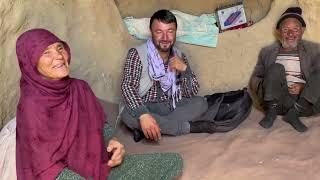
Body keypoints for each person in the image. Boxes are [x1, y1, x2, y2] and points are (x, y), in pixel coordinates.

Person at [15, 28, 183, 180]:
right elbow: (44, 169)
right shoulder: (31, 105)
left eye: (60, 48)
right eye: (46, 53)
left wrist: (113, 142)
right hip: (62, 175)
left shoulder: (79, 88)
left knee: (173, 161)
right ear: (31, 63)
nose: (58, 56)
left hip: (98, 166)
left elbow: (100, 125)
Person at [120, 9, 216, 142]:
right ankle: (187, 127)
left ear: (175, 32)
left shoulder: (180, 56)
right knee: (127, 114)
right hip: (146, 105)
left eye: (170, 31)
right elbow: (127, 86)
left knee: (201, 103)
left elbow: (191, 92)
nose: (165, 38)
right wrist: (143, 114)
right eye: (159, 32)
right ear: (151, 32)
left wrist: (184, 69)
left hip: (171, 106)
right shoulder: (137, 53)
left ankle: (151, 128)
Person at [250, 7, 320, 132]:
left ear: (302, 31)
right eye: (286, 29)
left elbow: (317, 79)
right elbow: (255, 78)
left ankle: (293, 114)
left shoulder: (314, 50)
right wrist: (267, 87)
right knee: (276, 68)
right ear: (278, 32)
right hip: (276, 101)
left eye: (295, 29)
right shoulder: (267, 52)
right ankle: (271, 113)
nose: (290, 34)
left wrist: (303, 87)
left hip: (303, 102)